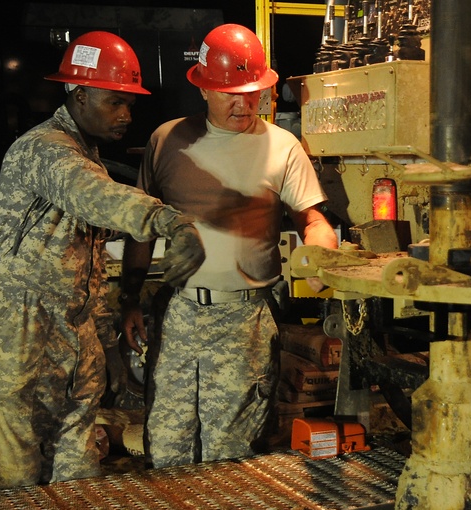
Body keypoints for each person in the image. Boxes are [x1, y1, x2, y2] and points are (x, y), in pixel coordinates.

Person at [0, 31, 206, 492]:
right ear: (79, 95)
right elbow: (94, 195)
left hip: (68, 335)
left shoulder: (83, 153)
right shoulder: (46, 150)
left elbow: (83, 262)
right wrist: (169, 221)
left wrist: (107, 340)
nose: (126, 116)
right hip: (17, 333)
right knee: (9, 479)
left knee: (77, 474)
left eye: (129, 105)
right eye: (115, 102)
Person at [119, 23, 338, 468]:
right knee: (167, 446)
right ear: (203, 89)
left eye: (253, 91)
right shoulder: (166, 141)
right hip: (177, 313)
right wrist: (130, 300)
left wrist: (320, 252)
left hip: (246, 319)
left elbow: (313, 218)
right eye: (230, 93)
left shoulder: (283, 147)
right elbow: (140, 231)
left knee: (232, 455)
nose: (244, 104)